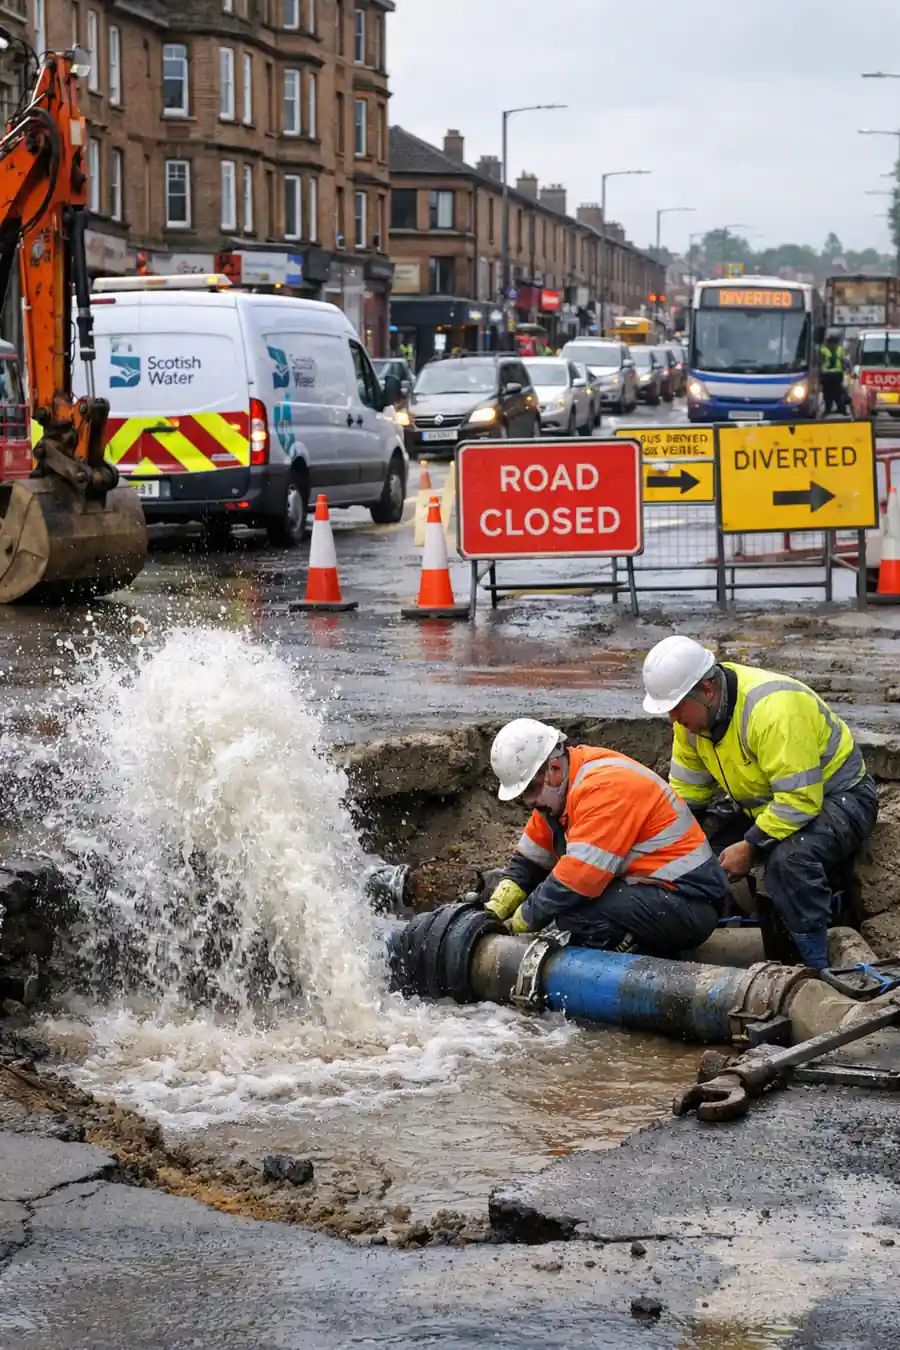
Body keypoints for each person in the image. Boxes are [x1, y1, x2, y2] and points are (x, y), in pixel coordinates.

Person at [641, 636, 878, 970]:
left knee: (789, 859)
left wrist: (750, 847)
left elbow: (799, 801)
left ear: (707, 690)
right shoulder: (692, 724)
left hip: (839, 796)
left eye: (677, 707)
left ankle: (818, 965)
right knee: (697, 847)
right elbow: (687, 797)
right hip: (770, 806)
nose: (672, 719)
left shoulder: (772, 709)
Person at [483, 718, 728, 955]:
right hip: (653, 892)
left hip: (690, 903)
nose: (530, 802)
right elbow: (530, 860)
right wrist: (496, 907)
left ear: (554, 769)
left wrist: (522, 920)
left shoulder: (603, 788)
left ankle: (632, 962)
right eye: (522, 795)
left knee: (573, 911)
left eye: (531, 789)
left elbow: (577, 880)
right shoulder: (560, 793)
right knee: (556, 901)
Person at [820, 332, 847, 415]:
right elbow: (844, 362)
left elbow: (820, 362)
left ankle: (828, 409)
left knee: (828, 394)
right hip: (837, 375)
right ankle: (841, 409)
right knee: (837, 393)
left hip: (827, 375)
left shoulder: (823, 350)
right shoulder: (840, 350)